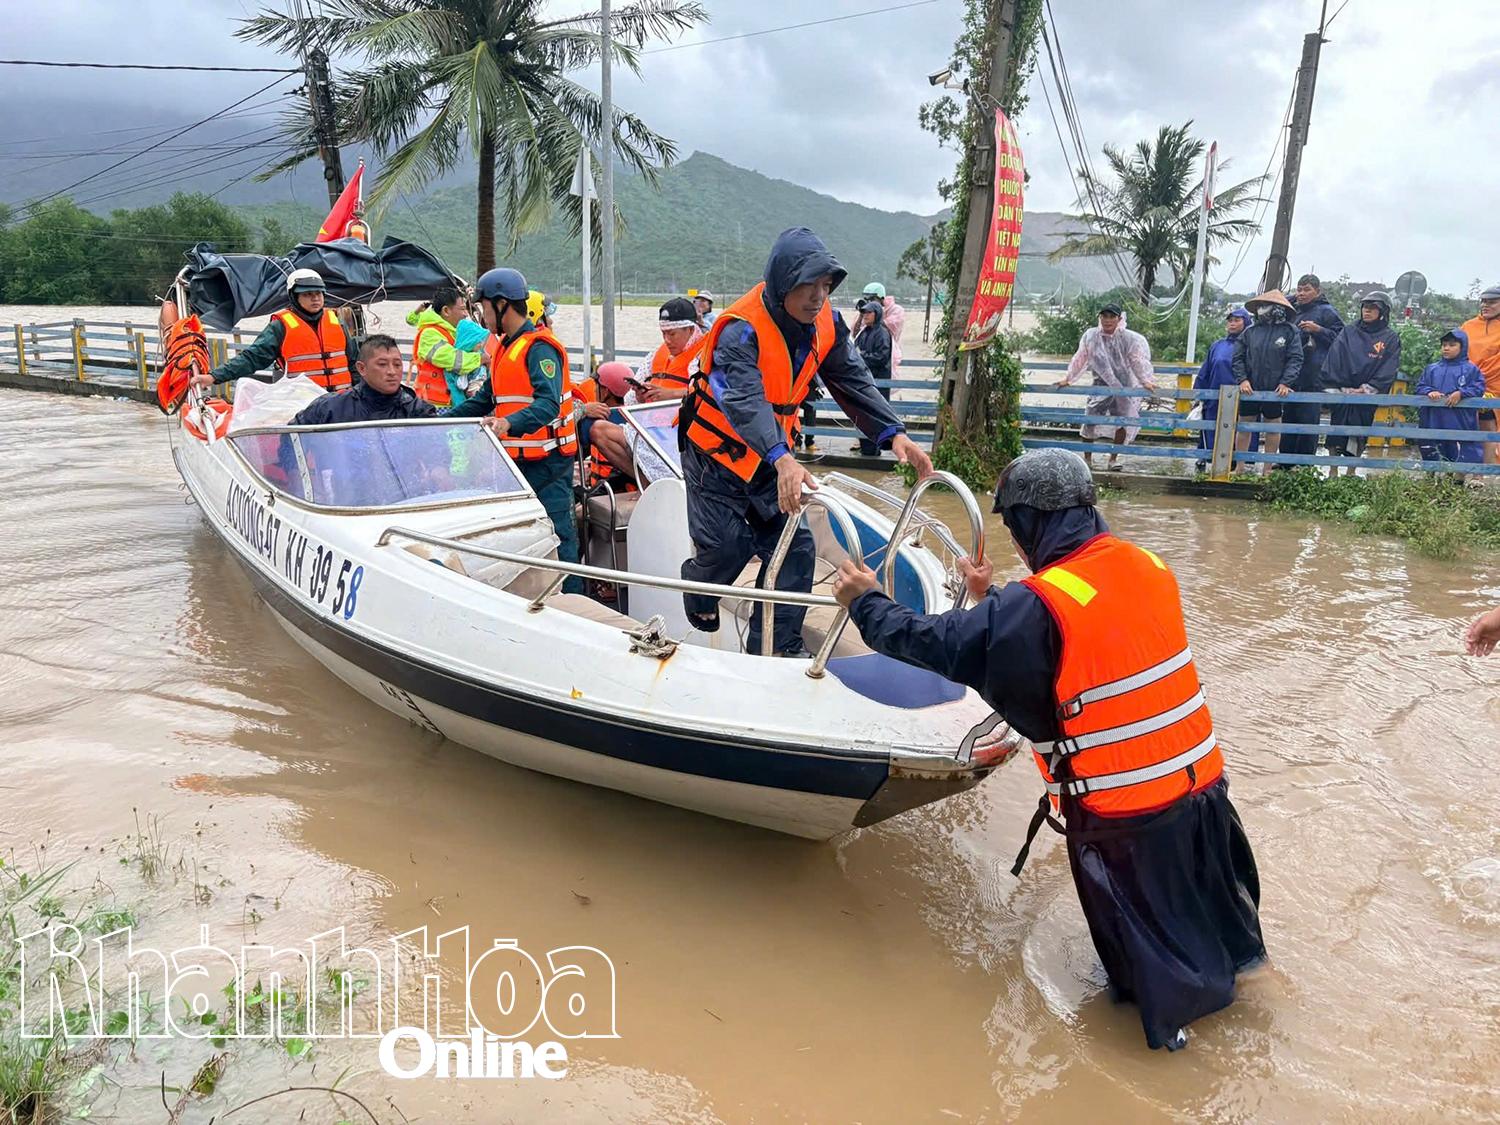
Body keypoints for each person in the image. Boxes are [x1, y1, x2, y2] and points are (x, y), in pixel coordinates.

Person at [829, 448, 1266, 1051]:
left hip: (1128, 816)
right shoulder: (1146, 564)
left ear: (1033, 522)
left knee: (1158, 974)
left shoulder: (1035, 606)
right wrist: (992, 598)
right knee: (1225, 933)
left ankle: (1171, 1052)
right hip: (1203, 791)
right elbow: (1074, 632)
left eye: (1013, 526)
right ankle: (1251, 999)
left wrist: (866, 601)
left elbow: (944, 644)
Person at [677, 227, 933, 657]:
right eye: (807, 285)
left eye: (825, 285)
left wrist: (894, 434)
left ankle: (776, 647)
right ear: (781, 285)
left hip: (774, 464)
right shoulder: (740, 330)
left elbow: (851, 379)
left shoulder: (826, 323)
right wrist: (780, 457)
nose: (818, 296)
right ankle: (698, 590)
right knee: (727, 547)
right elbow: (744, 401)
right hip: (716, 459)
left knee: (795, 549)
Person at [445, 267, 582, 592]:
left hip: (548, 465)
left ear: (502, 304)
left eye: (485, 307)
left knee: (558, 536)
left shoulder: (539, 349)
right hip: (515, 465)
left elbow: (548, 404)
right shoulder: (505, 349)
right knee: (522, 537)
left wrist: (508, 423)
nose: (482, 315)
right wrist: (439, 420)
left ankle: (576, 605)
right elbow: (483, 400)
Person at [587, 297, 706, 482]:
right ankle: (646, 484)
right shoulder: (654, 356)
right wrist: (640, 396)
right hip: (652, 433)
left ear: (690, 329)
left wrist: (671, 395)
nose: (667, 340)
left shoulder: (706, 354)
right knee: (598, 430)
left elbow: (710, 393)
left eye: (672, 334)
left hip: (685, 437)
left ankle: (665, 485)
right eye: (663, 333)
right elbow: (629, 400)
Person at [194, 269, 358, 391]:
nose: (315, 298)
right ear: (294, 296)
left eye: (318, 293)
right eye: (307, 294)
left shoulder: (336, 321)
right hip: (304, 404)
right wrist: (213, 376)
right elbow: (252, 358)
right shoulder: (281, 326)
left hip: (341, 401)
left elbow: (355, 362)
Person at [1058, 303, 1156, 471]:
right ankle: (1087, 459)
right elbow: (1081, 357)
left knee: (1122, 422)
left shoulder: (1128, 338)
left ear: (1119, 319)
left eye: (1112, 317)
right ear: (1100, 318)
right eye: (1104, 316)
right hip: (1100, 384)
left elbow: (1136, 360)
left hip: (1123, 385)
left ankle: (1113, 459)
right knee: (1090, 419)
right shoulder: (1091, 336)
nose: (1108, 320)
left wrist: (1145, 380)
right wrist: (1069, 378)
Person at [1321, 291, 1402, 475]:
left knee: (1359, 434)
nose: (1367, 311)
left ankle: (1351, 472)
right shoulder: (1349, 331)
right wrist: (1341, 386)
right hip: (1344, 391)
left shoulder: (1390, 338)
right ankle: (1332, 472)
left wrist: (1366, 389)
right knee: (1335, 432)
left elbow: (1388, 367)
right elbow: (1335, 357)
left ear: (1383, 312)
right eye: (1365, 307)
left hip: (1366, 396)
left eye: (1373, 308)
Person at [1231, 290, 1304, 475]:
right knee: (1244, 426)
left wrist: (1286, 382)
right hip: (1251, 388)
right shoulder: (1250, 332)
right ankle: (1239, 467)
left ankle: (1267, 468)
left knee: (1273, 427)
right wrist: (1243, 380)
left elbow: (1295, 358)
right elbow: (1238, 358)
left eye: (1267, 306)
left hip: (1275, 389)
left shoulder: (1289, 331)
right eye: (1261, 306)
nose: (1263, 310)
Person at [286, 334, 434, 425]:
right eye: (382, 364)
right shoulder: (329, 408)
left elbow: (438, 452)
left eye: (397, 364)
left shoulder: (418, 411)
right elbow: (290, 443)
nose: (392, 372)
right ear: (362, 368)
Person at [1284, 274, 1345, 459]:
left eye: (1307, 290)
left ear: (1317, 291)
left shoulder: (1327, 312)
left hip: (1314, 375)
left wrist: (1318, 330)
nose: (1301, 293)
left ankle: (1304, 465)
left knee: (1308, 421)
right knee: (1288, 419)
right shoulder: (1292, 310)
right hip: (1292, 375)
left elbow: (1342, 339)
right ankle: (1285, 461)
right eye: (1299, 289)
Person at [1415, 329, 1486, 470]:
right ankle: (1431, 480)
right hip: (1434, 418)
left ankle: (1458, 481)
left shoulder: (1471, 370)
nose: (1446, 348)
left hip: (1459, 420)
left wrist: (1461, 393)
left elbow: (1479, 388)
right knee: (1432, 449)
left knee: (1462, 451)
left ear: (1462, 347)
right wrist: (1430, 392)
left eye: (1452, 345)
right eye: (1444, 345)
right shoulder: (1432, 369)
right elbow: (1420, 386)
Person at [1191, 307, 1252, 469]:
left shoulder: (1252, 346)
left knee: (1238, 428)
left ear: (1246, 322)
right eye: (1230, 321)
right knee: (1211, 425)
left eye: (1237, 320)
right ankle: (1204, 456)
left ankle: (1236, 462)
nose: (1232, 324)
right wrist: (1199, 393)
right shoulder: (1217, 345)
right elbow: (1206, 370)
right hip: (1215, 393)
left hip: (1240, 395)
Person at [408, 285, 483, 408]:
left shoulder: (452, 333)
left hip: (449, 403)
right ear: (446, 311)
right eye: (463, 309)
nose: (465, 314)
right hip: (433, 406)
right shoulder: (429, 334)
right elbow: (451, 359)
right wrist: (479, 359)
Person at [1459, 283, 1500, 466]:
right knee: (1465, 428)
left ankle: (1486, 474)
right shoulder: (1468, 326)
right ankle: (1462, 472)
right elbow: (1457, 352)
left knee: (1489, 429)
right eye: (1483, 301)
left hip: (1495, 386)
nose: (1486, 305)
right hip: (1469, 384)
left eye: (1492, 302)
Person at [852, 298, 893, 456]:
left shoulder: (882, 332)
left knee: (876, 416)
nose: (865, 315)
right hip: (864, 381)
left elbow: (881, 357)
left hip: (878, 382)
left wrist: (862, 357)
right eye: (863, 313)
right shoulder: (864, 332)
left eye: (868, 312)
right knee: (862, 415)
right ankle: (866, 449)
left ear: (877, 314)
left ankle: (874, 450)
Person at [862, 281, 906, 374]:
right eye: (866, 299)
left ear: (881, 298)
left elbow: (891, 325)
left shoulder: (896, 310)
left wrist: (876, 313)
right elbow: (856, 332)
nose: (869, 302)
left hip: (886, 360)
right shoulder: (867, 313)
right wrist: (861, 312)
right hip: (867, 361)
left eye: (872, 299)